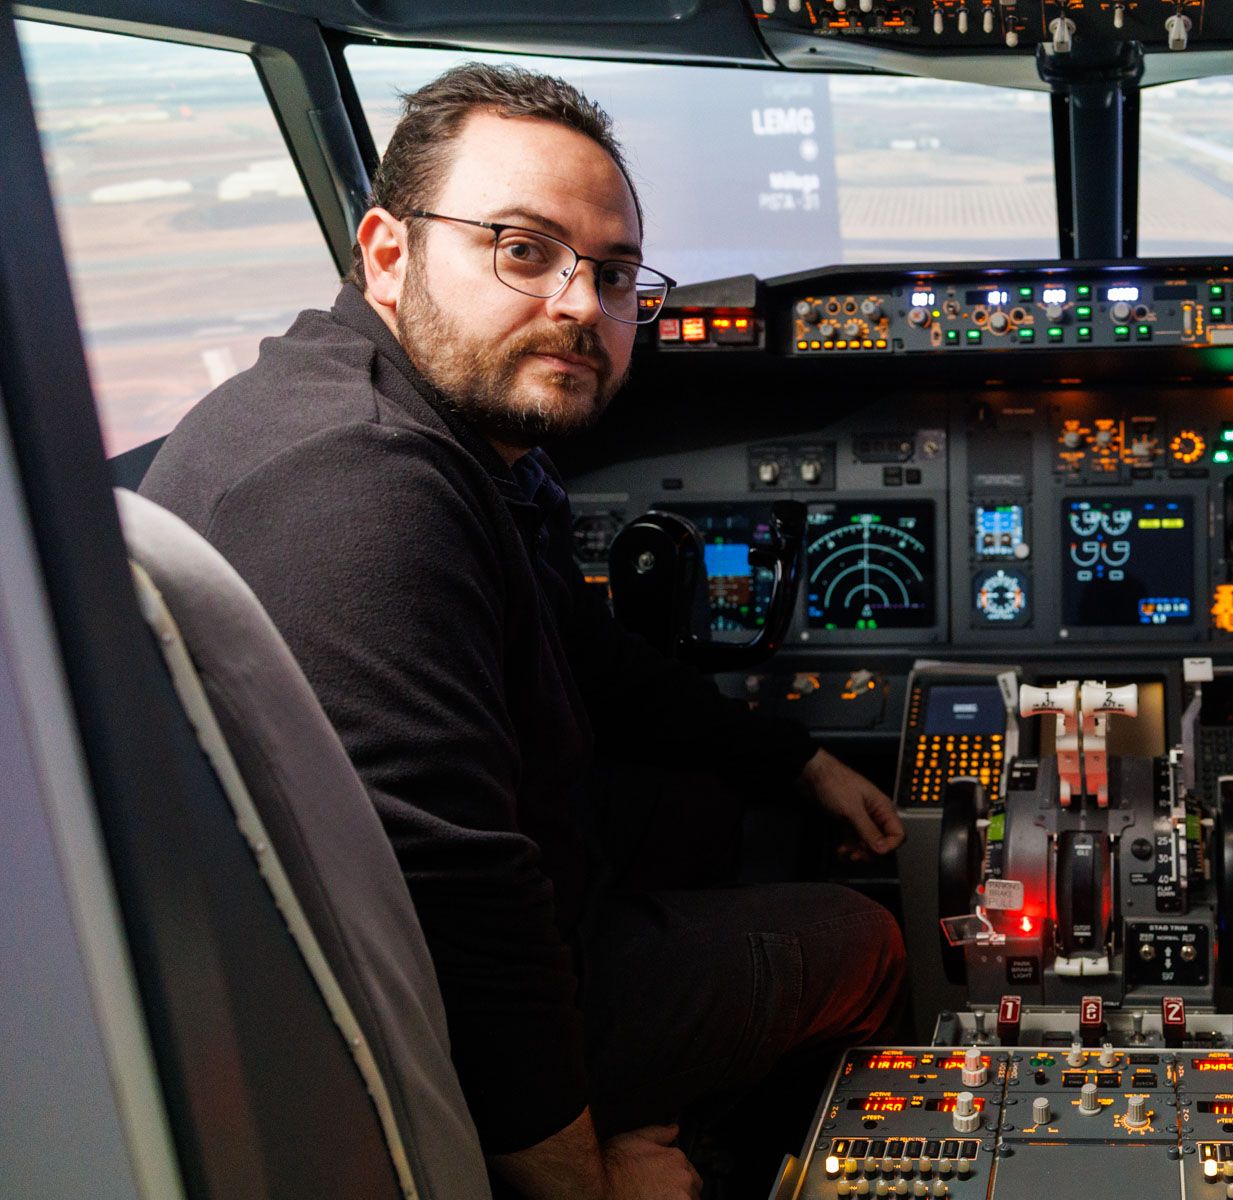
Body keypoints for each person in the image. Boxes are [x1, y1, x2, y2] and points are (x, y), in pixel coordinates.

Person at [142, 65, 904, 1199]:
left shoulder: (429, 433)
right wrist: (581, 1177)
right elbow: (460, 896)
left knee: (715, 803)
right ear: (389, 253)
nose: (579, 306)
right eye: (523, 247)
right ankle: (683, 1152)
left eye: (611, 273)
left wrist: (796, 757)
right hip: (418, 1010)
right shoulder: (360, 487)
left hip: (446, 925)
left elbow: (588, 658)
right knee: (868, 943)